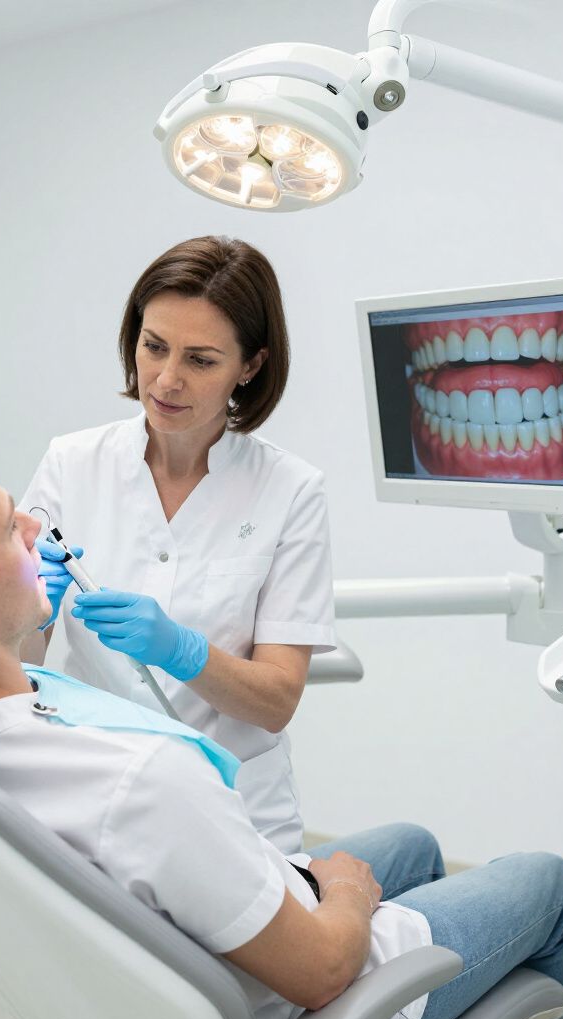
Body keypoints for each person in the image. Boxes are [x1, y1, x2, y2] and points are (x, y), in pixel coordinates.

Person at [0, 413, 563, 1019]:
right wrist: (344, 897)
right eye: (7, 526)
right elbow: (316, 974)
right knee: (547, 882)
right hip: (307, 987)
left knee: (412, 844)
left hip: (200, 919)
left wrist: (32, 631)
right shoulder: (139, 783)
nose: (33, 523)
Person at [21, 235, 335, 854]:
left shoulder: (291, 491)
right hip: (97, 793)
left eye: (201, 359)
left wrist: (183, 651)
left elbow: (276, 701)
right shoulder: (71, 463)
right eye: (153, 346)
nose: (166, 379)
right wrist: (35, 611)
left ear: (249, 366)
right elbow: (15, 664)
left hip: (237, 814)